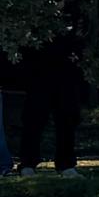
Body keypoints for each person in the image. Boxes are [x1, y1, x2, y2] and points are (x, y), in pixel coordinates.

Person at [16, 32, 85, 178]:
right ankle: (28, 164)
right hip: (38, 69)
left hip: (66, 69)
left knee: (67, 118)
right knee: (34, 119)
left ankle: (66, 165)